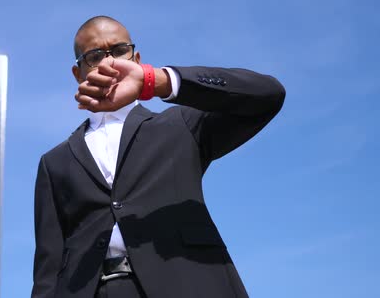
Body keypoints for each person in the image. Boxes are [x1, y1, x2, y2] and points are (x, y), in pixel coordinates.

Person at [31, 16, 285, 298]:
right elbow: (48, 266)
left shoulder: (181, 126)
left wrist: (156, 81)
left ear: (136, 58)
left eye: (118, 51)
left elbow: (268, 95)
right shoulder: (54, 162)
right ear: (78, 73)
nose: (108, 64)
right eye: (94, 56)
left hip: (187, 284)